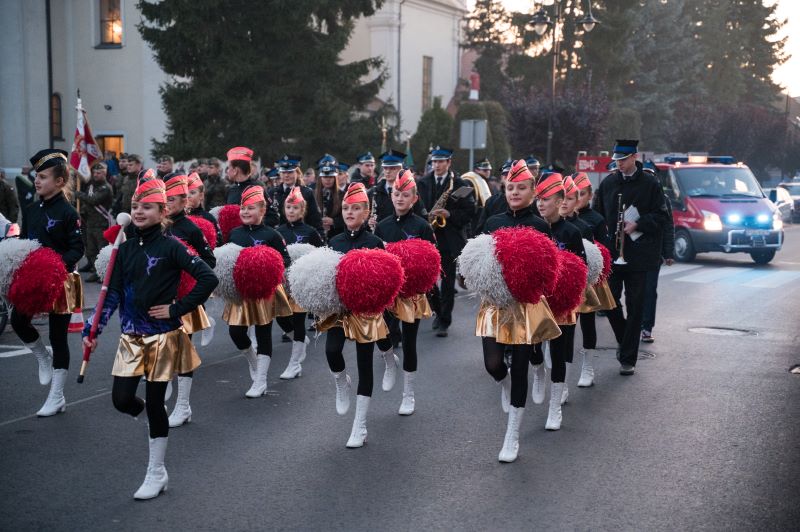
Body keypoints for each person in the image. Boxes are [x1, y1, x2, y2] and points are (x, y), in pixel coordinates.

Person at [82, 176, 217, 500]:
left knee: (156, 402)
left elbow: (207, 277)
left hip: (162, 338)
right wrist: (93, 330)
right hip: (131, 337)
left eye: (147, 207)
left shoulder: (171, 246)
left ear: (162, 211)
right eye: (135, 207)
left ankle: (156, 472)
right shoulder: (124, 248)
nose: (139, 212)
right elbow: (111, 293)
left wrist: (177, 309)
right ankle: (152, 421)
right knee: (121, 400)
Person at [481, 160, 554, 462]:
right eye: (510, 187)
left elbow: (549, 269)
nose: (514, 192)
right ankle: (505, 384)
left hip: (524, 305)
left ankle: (512, 434)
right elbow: (478, 256)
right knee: (493, 364)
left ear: (533, 192)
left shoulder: (540, 226)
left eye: (521, 188)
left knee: (521, 365)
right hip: (494, 304)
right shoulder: (492, 222)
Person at [12, 149, 84, 417]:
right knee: (19, 320)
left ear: (60, 181)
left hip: (60, 280)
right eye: (36, 176)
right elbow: (26, 242)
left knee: (58, 337)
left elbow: (78, 249)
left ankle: (57, 396)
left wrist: (55, 268)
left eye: (42, 177)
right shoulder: (31, 210)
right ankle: (42, 356)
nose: (37, 181)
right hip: (33, 278)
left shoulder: (67, 212)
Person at [324, 182, 395, 448]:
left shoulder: (375, 242)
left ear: (366, 212)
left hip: (366, 311)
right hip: (340, 310)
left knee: (365, 364)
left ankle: (360, 426)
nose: (349, 213)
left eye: (356, 208)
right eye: (345, 208)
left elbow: (387, 279)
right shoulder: (334, 241)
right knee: (332, 352)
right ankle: (341, 382)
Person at [592, 140, 670, 376]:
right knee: (610, 301)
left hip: (641, 255)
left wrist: (639, 223)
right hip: (615, 255)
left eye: (623, 160)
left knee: (636, 306)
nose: (620, 164)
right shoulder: (608, 183)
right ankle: (625, 338)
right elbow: (598, 215)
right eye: (617, 161)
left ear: (634, 157)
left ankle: (628, 358)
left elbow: (662, 215)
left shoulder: (650, 183)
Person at [374, 170, 436, 415]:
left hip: (412, 294)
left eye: (405, 194)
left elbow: (432, 259)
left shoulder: (422, 226)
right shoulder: (382, 226)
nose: (400, 198)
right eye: (396, 193)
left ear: (414, 198)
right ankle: (389, 358)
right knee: (381, 335)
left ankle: (408, 394)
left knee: (410, 343)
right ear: (391, 196)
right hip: (388, 292)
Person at [225, 185, 293, 397]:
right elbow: (226, 259)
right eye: (243, 208)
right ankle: (252, 360)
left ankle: (261, 380)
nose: (245, 212)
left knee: (264, 333)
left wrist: (269, 268)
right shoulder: (234, 233)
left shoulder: (272, 235)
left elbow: (285, 260)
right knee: (235, 332)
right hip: (241, 291)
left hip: (265, 291)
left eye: (251, 208)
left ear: (262, 211)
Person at [535, 172, 586, 431]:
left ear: (559, 201)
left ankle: (555, 407)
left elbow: (581, 268)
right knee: (534, 352)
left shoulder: (572, 232)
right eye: (538, 199)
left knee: (558, 352)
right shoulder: (532, 228)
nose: (541, 204)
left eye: (546, 199)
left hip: (562, 303)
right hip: (534, 302)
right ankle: (538, 370)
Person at [416, 146, 476, 337]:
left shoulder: (460, 183)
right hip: (428, 236)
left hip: (449, 238)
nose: (437, 165)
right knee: (428, 282)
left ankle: (445, 320)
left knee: (448, 281)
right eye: (434, 162)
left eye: (441, 161)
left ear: (449, 163)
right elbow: (417, 206)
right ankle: (438, 311)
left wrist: (449, 214)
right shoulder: (423, 182)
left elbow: (470, 212)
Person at [275, 186, 323, 378]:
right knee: (280, 317)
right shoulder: (277, 232)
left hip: (301, 285)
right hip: (283, 284)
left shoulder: (310, 232)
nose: (291, 211)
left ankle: (294, 364)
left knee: (298, 320)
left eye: (295, 208)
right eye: (288, 207)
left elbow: (321, 253)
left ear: (303, 209)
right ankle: (300, 340)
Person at [573, 171, 614, 387]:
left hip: (587, 280)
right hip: (567, 282)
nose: (577, 198)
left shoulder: (596, 220)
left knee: (587, 323)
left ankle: (587, 366)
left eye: (581, 194)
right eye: (573, 194)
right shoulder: (561, 218)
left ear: (589, 196)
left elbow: (605, 250)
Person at [641, 188, 675, 343]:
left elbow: (668, 226)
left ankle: (647, 327)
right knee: (634, 292)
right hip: (632, 252)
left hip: (654, 252)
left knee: (649, 290)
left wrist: (668, 253)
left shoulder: (663, 199)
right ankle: (634, 323)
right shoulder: (633, 194)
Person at [76, 161, 113, 282]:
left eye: (99, 173)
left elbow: (93, 200)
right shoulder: (91, 186)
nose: (96, 175)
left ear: (105, 174)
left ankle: (104, 274)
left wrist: (79, 194)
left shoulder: (106, 188)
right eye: (95, 172)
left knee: (101, 250)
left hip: (101, 224)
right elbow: (87, 204)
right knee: (91, 250)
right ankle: (97, 272)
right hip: (90, 223)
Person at [268, 155, 323, 235]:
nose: (286, 175)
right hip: (276, 236)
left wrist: (320, 238)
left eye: (290, 172)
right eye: (283, 172)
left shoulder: (306, 192)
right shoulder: (272, 192)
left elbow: (315, 220)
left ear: (297, 173)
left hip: (300, 236)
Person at [475, 159, 512, 234]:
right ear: (502, 177)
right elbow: (481, 230)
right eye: (505, 174)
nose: (508, 177)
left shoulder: (530, 201)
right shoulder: (492, 201)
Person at [186, 172, 223, 245]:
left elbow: (219, 243)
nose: (188, 196)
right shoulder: (177, 217)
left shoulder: (208, 218)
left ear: (201, 196)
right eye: (185, 193)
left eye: (192, 193)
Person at [315, 158, 345, 241]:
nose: (328, 180)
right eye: (325, 177)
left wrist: (334, 222)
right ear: (320, 178)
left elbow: (348, 216)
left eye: (331, 177)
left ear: (335, 178)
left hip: (337, 236)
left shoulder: (343, 195)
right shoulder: (313, 194)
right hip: (318, 236)